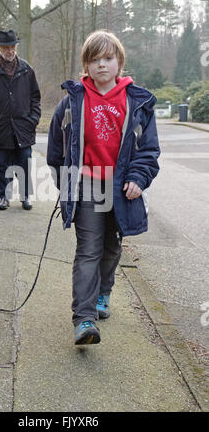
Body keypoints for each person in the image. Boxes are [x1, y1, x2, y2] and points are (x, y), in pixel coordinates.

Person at [47, 30, 160, 345]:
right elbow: (56, 148)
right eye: (94, 59)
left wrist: (138, 178)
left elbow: (148, 150)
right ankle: (84, 320)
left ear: (119, 62)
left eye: (108, 58)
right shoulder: (73, 101)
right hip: (87, 187)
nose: (101, 65)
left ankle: (103, 293)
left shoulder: (137, 103)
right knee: (88, 251)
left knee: (112, 248)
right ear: (86, 64)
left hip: (121, 189)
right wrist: (66, 182)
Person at [0, 29, 41, 210]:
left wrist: (33, 119)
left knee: (24, 163)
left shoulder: (27, 70)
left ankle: (25, 197)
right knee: (3, 165)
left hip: (24, 127)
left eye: (12, 46)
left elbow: (35, 98)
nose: (10, 50)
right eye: (6, 47)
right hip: (1, 128)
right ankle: (4, 198)